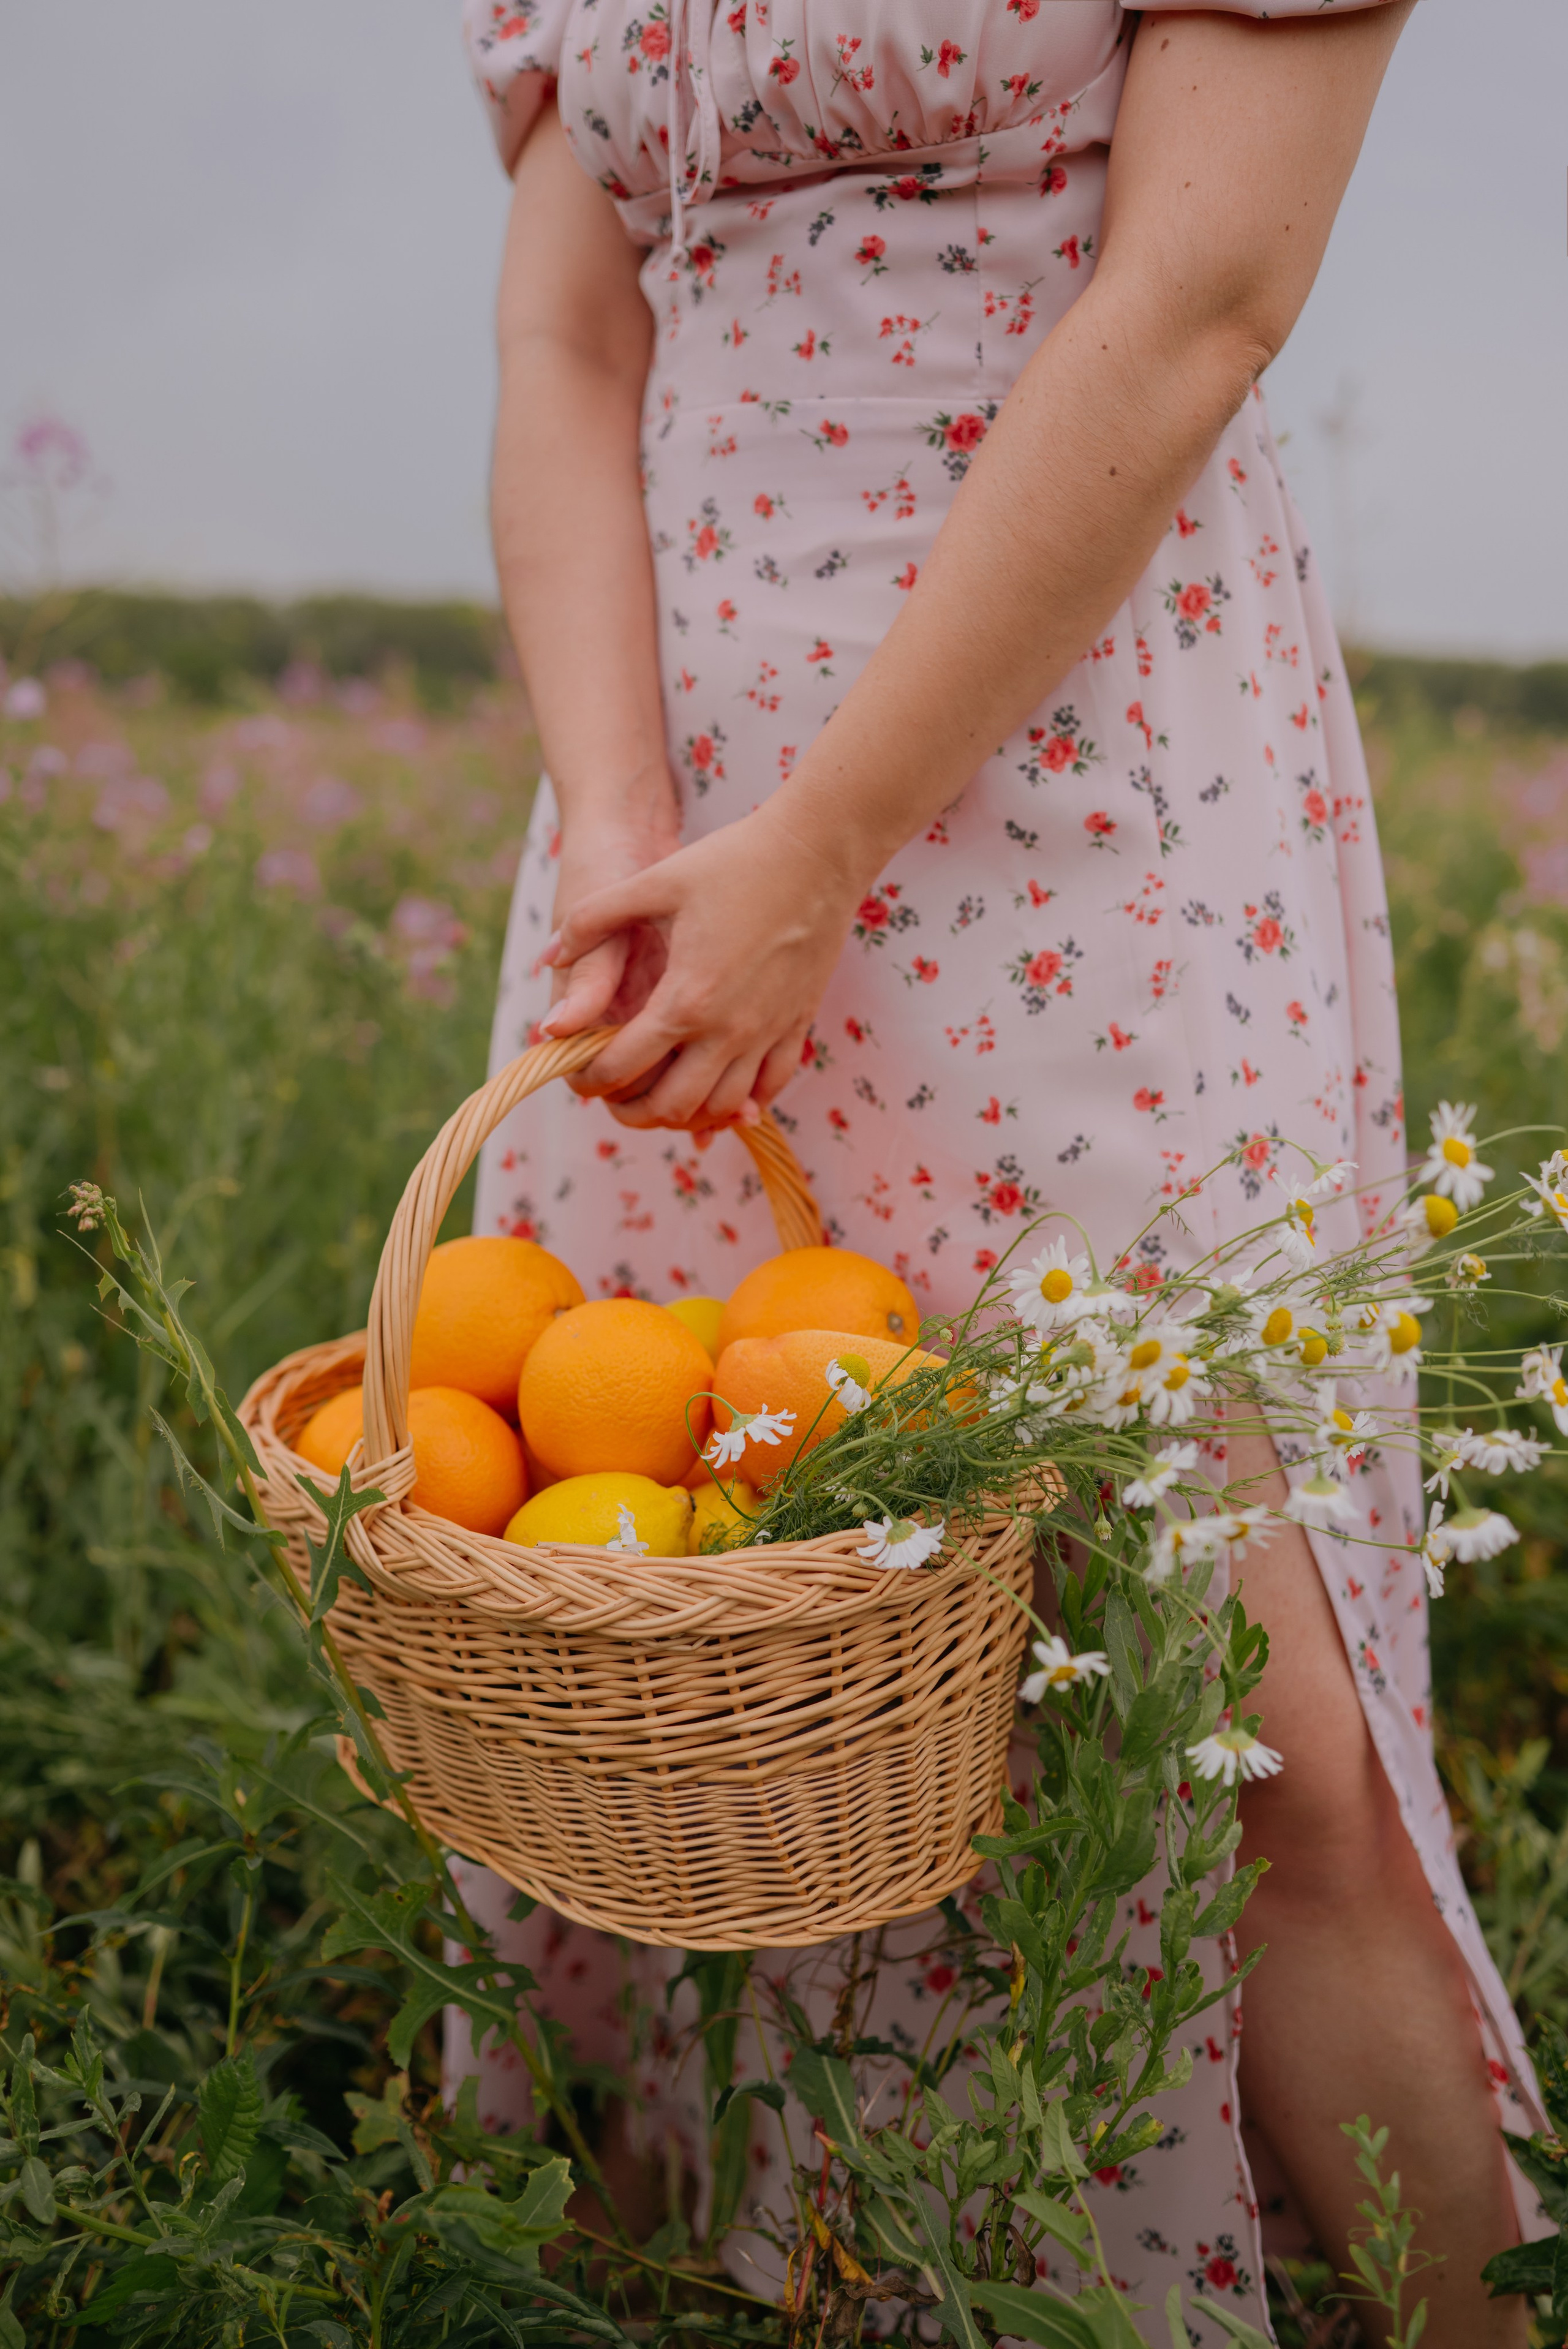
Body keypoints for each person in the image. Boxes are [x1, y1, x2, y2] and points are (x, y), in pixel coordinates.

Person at [448, 0, 1545, 2333]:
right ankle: (670, 2281)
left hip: (1062, 790)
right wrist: (634, 816)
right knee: (672, 1658)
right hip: (671, 801)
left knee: (1237, 1721)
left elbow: (1202, 299)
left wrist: (826, 841)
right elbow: (563, 334)